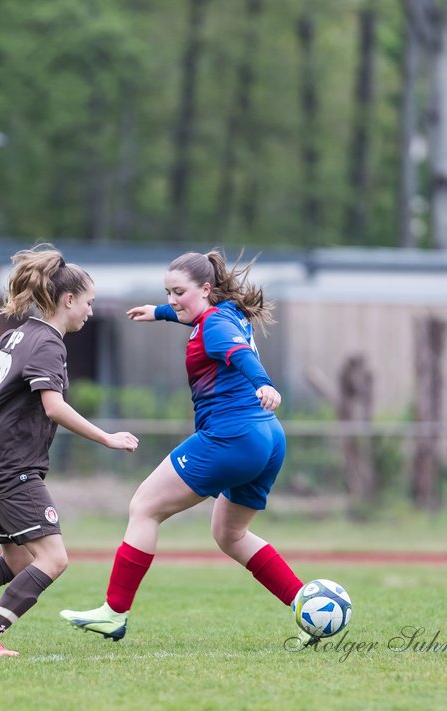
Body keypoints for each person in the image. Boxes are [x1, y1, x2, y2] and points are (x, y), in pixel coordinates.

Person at [59, 249, 305, 642]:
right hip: (269, 437)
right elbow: (193, 316)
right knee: (231, 534)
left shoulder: (213, 327)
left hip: (233, 435)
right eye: (167, 292)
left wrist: (265, 383)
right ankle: (307, 606)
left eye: (178, 292)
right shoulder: (225, 314)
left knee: (144, 507)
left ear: (206, 289)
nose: (172, 300)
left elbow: (238, 355)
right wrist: (158, 312)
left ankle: (113, 612)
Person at [0, 245, 140, 657]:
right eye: (88, 303)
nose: (90, 311)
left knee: (18, 561)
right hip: (12, 465)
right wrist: (106, 438)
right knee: (53, 558)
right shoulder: (49, 343)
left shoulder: (17, 334)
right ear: (68, 300)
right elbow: (54, 406)